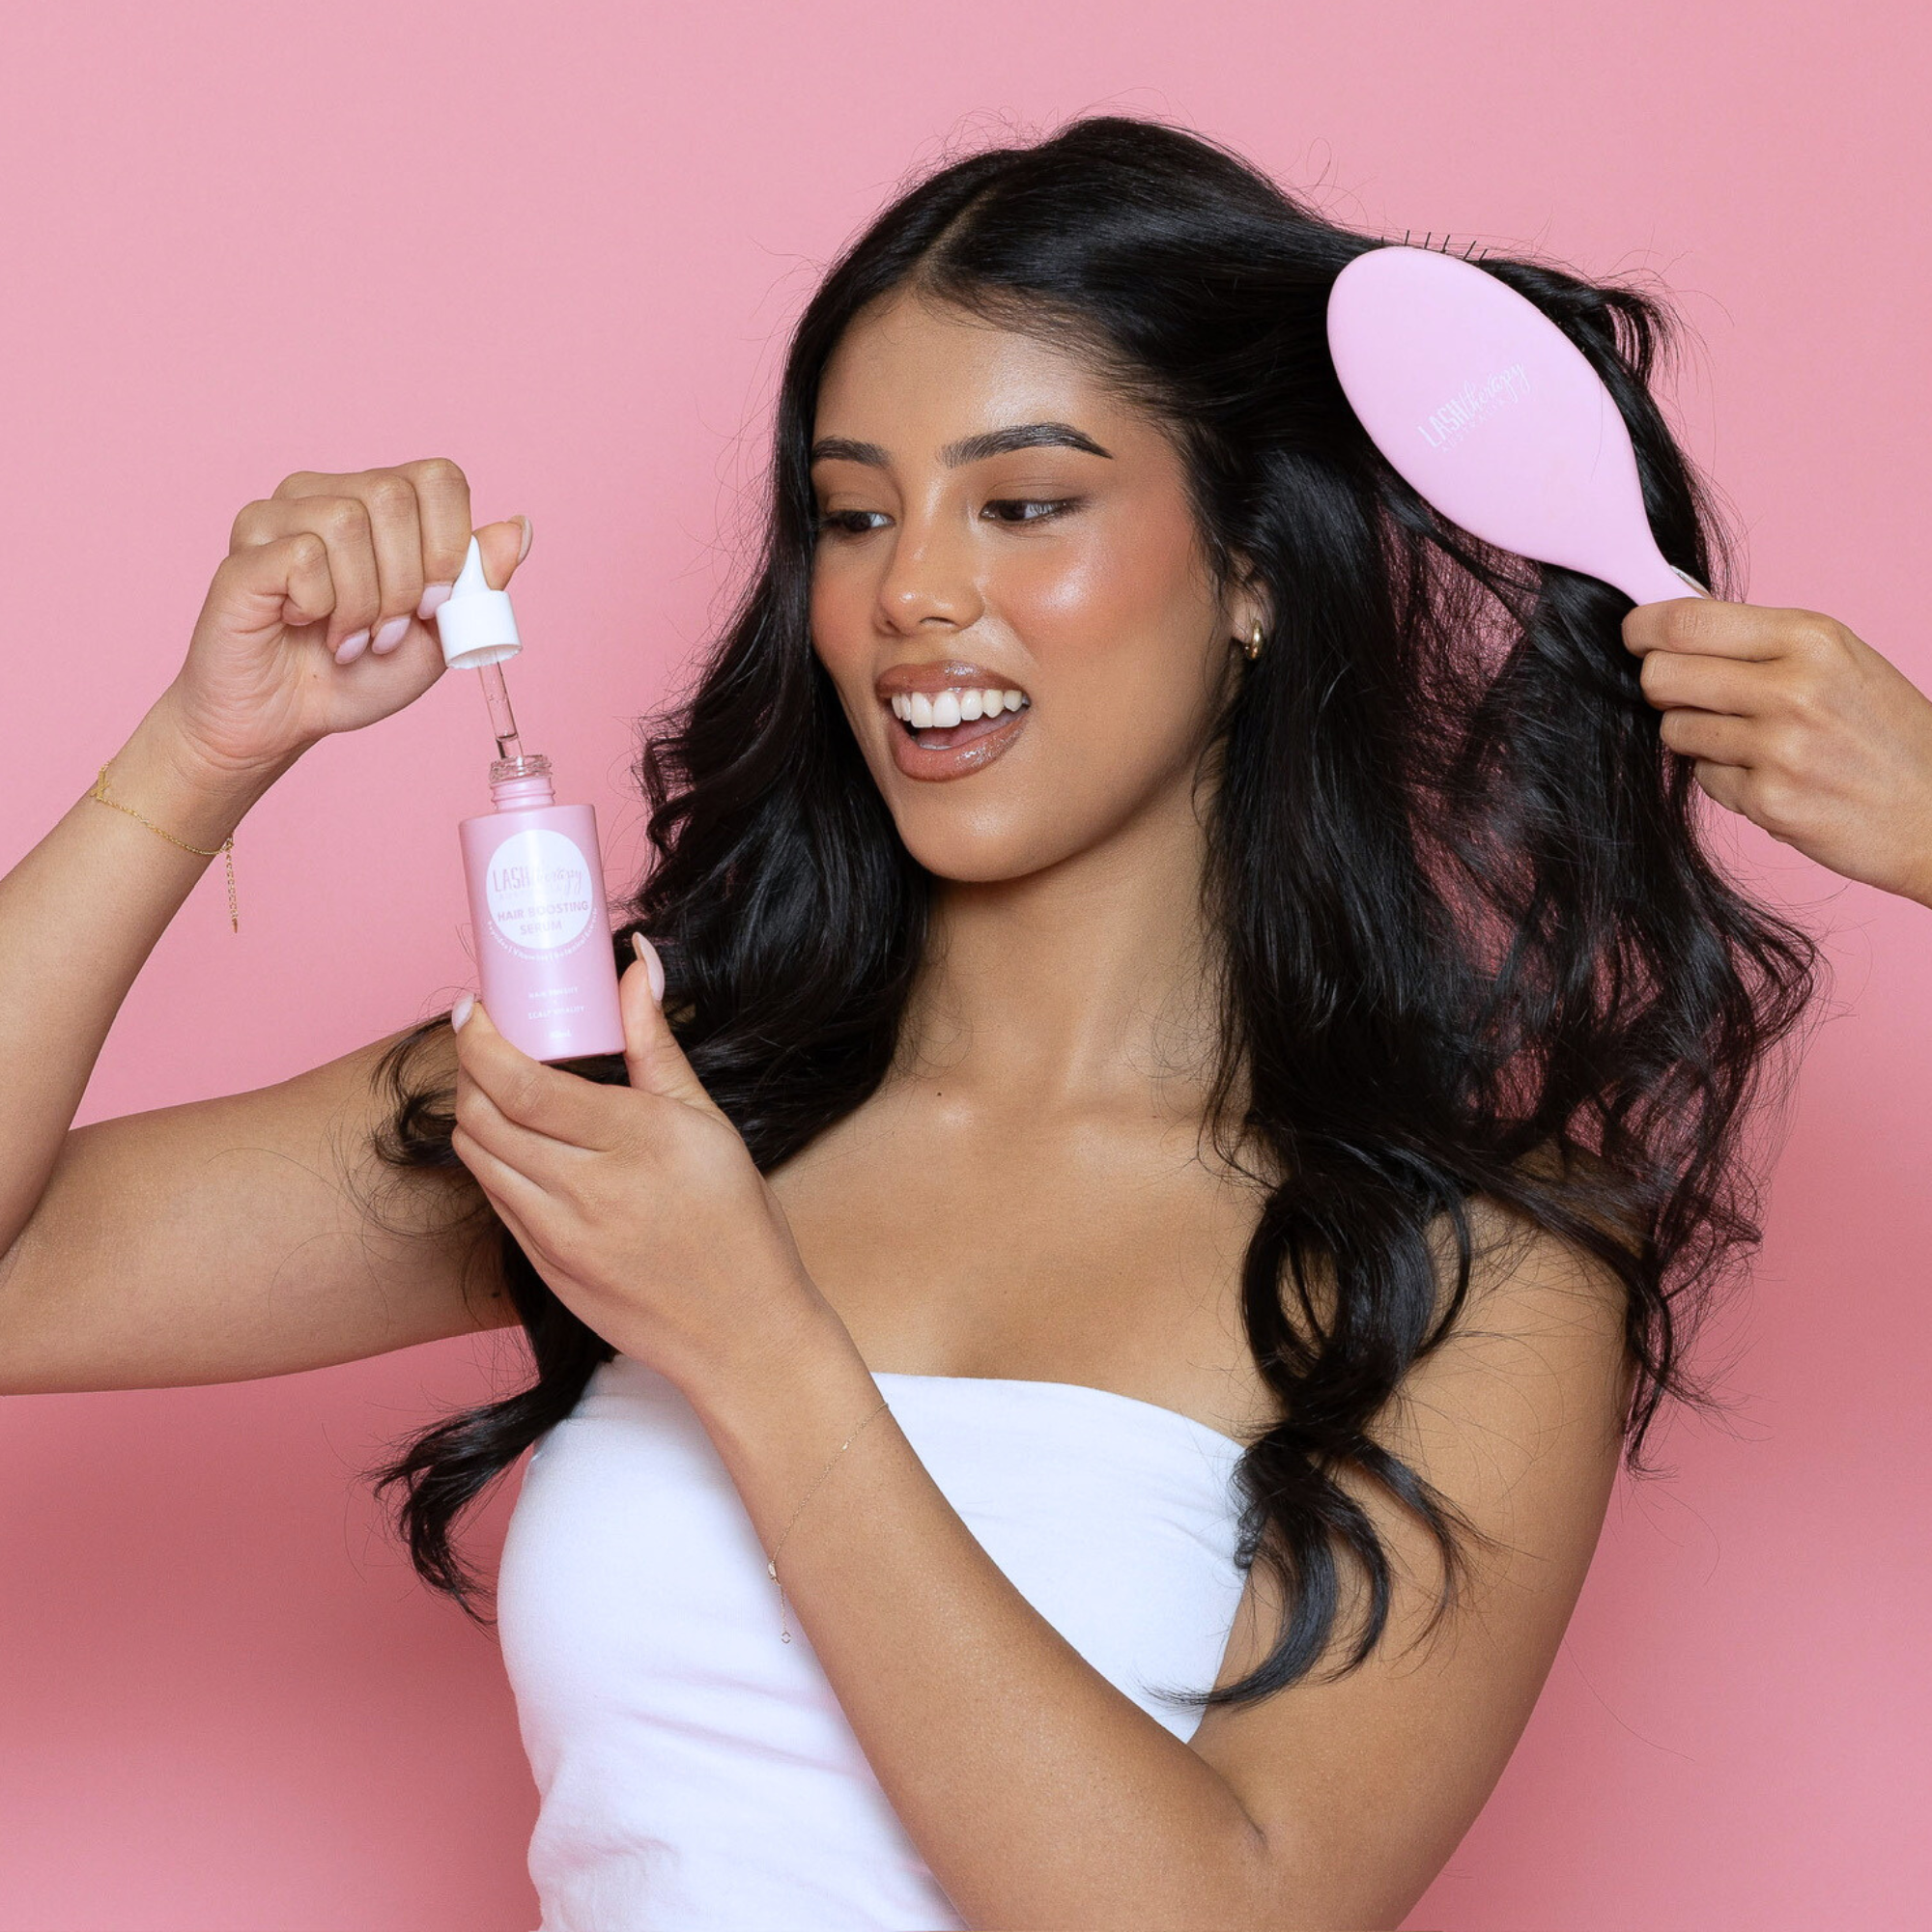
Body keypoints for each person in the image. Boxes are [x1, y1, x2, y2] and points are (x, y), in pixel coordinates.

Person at [4, 116, 1930, 1932]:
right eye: (851, 518)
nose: (914, 594)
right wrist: (197, 759)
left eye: (1023, 502)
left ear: (1254, 572)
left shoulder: (1473, 1255)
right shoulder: (639, 1093)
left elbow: (1223, 1910)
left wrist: (748, 1334)